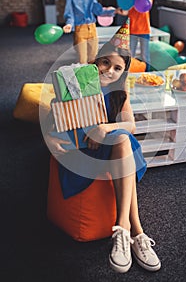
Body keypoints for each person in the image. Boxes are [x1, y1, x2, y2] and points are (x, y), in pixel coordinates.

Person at [44, 40, 161, 274]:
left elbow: (130, 125)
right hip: (81, 149)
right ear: (95, 62)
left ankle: (123, 228)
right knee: (123, 145)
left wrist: (104, 128)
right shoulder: (76, 81)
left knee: (121, 138)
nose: (110, 70)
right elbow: (54, 113)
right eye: (105, 63)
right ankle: (136, 231)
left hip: (112, 143)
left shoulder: (119, 92)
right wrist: (49, 139)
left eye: (118, 68)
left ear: (123, 73)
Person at [116, 0, 154, 70]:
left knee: (145, 55)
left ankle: (148, 74)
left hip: (144, 30)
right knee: (130, 54)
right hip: (132, 29)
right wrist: (120, 11)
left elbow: (144, 8)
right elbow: (127, 11)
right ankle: (130, 72)